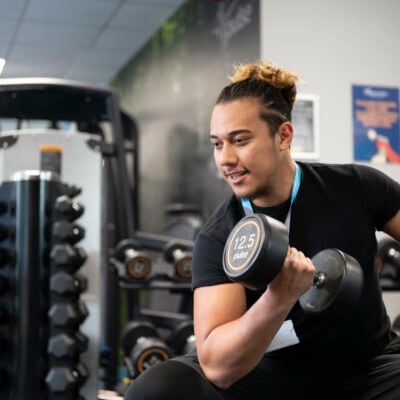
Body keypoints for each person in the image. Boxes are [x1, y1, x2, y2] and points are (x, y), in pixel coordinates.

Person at [125, 60, 400, 400]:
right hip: (272, 377)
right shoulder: (218, 236)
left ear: (283, 135)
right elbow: (217, 366)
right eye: (217, 144)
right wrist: (278, 297)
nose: (225, 158)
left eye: (239, 140)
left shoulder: (356, 187)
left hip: (370, 368)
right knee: (157, 390)